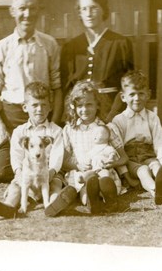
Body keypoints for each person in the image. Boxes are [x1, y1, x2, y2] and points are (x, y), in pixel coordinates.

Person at [0, 0, 63, 184]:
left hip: (43, 118)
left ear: (39, 11)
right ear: (12, 11)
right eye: (22, 9)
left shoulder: (49, 44)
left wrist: (56, 124)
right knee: (0, 172)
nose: (27, 14)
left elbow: (57, 87)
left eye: (32, 8)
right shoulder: (3, 47)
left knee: (59, 161)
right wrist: (1, 129)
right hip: (14, 120)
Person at [0, 82, 64, 218]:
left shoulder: (55, 131)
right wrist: (18, 173)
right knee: (16, 186)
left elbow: (57, 156)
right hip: (28, 173)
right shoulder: (20, 132)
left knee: (56, 185)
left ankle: (53, 205)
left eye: (44, 105)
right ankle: (9, 206)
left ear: (50, 107)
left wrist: (51, 172)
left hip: (50, 174)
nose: (39, 110)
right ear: (25, 107)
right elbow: (16, 155)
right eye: (35, 105)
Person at [44, 81, 128, 216]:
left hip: (103, 173)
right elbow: (64, 161)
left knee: (100, 181)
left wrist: (113, 163)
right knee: (85, 189)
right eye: (80, 106)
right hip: (80, 174)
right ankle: (89, 202)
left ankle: (107, 199)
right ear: (74, 107)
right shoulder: (69, 129)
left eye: (89, 104)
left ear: (97, 105)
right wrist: (77, 165)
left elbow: (124, 157)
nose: (84, 109)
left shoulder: (106, 128)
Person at [110, 70, 162, 205]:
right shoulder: (119, 120)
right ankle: (156, 191)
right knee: (143, 171)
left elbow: (160, 142)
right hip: (130, 159)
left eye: (141, 93)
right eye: (132, 94)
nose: (137, 98)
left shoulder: (152, 117)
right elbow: (117, 150)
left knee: (156, 165)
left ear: (148, 95)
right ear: (123, 97)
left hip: (148, 155)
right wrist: (125, 174)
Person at [60, 0, 134, 124]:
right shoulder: (71, 47)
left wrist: (113, 115)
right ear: (80, 13)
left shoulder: (120, 43)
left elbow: (128, 86)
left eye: (94, 8)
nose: (88, 13)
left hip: (112, 112)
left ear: (103, 10)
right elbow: (67, 88)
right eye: (84, 9)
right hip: (81, 114)